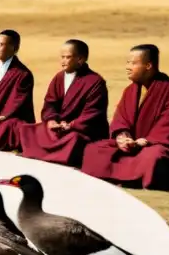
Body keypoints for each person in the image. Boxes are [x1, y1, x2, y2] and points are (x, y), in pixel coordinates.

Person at [81, 44, 169, 189]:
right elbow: (121, 119)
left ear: (148, 65)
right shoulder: (130, 90)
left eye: (133, 63)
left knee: (155, 156)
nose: (128, 67)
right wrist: (122, 137)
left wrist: (146, 141)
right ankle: (128, 174)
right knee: (95, 149)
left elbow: (168, 125)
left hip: (153, 145)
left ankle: (134, 176)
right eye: (128, 62)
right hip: (131, 145)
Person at [18, 39, 109, 167]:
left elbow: (93, 112)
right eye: (62, 57)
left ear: (80, 59)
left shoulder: (95, 81)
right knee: (29, 130)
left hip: (80, 130)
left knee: (74, 140)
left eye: (68, 57)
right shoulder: (59, 77)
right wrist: (51, 121)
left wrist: (71, 125)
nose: (63, 61)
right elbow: (50, 103)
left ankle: (52, 154)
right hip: (60, 127)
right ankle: (51, 153)